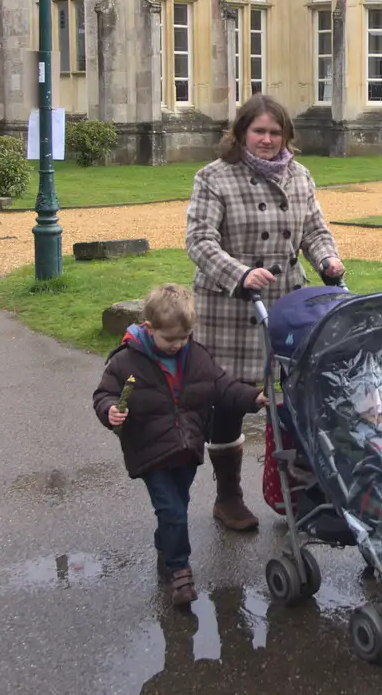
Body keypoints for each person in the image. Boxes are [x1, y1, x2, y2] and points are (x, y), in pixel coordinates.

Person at [185, 94, 345, 531]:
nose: (268, 140)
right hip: (232, 306)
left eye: (276, 133)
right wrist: (239, 274)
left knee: (294, 398)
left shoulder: (300, 176)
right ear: (240, 133)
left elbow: (314, 229)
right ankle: (228, 496)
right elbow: (199, 241)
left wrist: (328, 260)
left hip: (288, 304)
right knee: (230, 402)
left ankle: (296, 489)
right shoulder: (214, 178)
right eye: (259, 131)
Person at [92, 284, 267, 605]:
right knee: (172, 510)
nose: (177, 345)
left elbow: (221, 386)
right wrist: (110, 410)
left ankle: (164, 545)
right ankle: (180, 572)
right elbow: (104, 395)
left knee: (176, 507)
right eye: (170, 339)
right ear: (149, 328)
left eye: (184, 338)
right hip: (149, 451)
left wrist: (253, 397)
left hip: (187, 449)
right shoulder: (126, 362)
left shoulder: (196, 355)